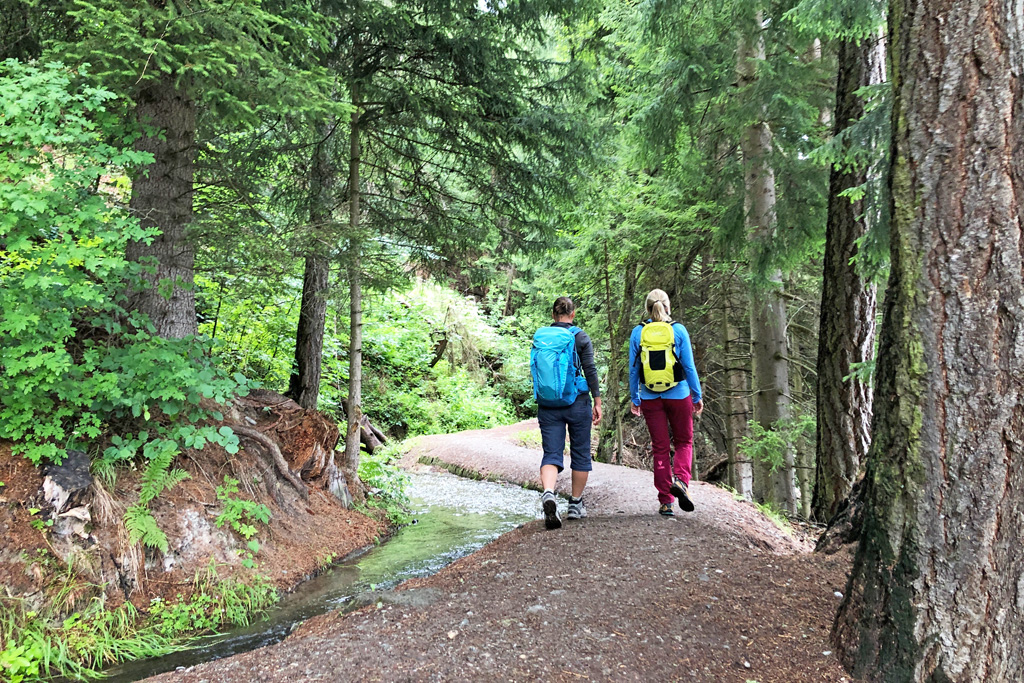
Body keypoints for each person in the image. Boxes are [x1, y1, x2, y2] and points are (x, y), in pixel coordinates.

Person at [628, 289, 703, 516]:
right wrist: (697, 396)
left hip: (650, 396)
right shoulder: (678, 330)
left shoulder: (638, 332)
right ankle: (680, 480)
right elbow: (688, 367)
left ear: (647, 308)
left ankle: (666, 502)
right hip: (679, 394)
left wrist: (635, 398)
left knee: (660, 448)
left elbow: (634, 370)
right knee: (683, 441)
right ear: (668, 307)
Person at [531, 297, 602, 530]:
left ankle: (549, 493)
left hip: (548, 404)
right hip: (577, 402)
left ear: (553, 316)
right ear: (573, 314)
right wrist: (597, 401)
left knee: (551, 453)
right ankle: (575, 504)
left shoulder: (542, 338)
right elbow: (590, 369)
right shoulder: (580, 336)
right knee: (580, 453)